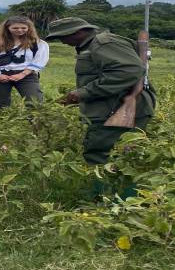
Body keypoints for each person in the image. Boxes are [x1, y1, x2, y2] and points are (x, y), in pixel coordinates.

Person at [47, 17, 155, 165]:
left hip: (117, 106)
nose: (63, 42)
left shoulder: (103, 43)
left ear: (79, 32)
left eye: (63, 37)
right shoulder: (94, 44)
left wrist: (83, 93)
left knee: (100, 155)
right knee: (122, 155)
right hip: (112, 106)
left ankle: (103, 188)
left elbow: (129, 71)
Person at [0, 16, 49, 109]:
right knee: (2, 105)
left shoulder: (38, 43)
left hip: (27, 75)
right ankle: (4, 122)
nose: (20, 30)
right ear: (7, 28)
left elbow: (40, 61)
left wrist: (22, 74)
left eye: (23, 28)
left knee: (35, 102)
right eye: (15, 28)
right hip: (0, 74)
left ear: (29, 28)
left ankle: (35, 123)